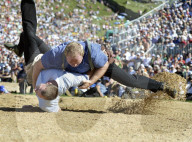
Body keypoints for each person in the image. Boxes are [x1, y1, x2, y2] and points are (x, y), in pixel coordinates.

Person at [5, 0, 176, 98]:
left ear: (82, 55)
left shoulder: (95, 54)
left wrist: (92, 81)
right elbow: (37, 66)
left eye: (75, 61)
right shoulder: (57, 54)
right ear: (65, 55)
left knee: (130, 81)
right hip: (74, 65)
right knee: (28, 33)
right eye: (70, 61)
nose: (72, 64)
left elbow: (103, 66)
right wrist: (35, 85)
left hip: (99, 68)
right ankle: (22, 41)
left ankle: (161, 86)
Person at [4, 0, 92, 112]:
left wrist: (31, 107)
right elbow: (84, 79)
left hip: (34, 64)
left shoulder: (45, 101)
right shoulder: (66, 80)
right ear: (48, 83)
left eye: (37, 91)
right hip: (49, 60)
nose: (36, 90)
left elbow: (53, 108)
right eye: (39, 89)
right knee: (27, 35)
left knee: (28, 31)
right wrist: (88, 81)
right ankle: (20, 48)